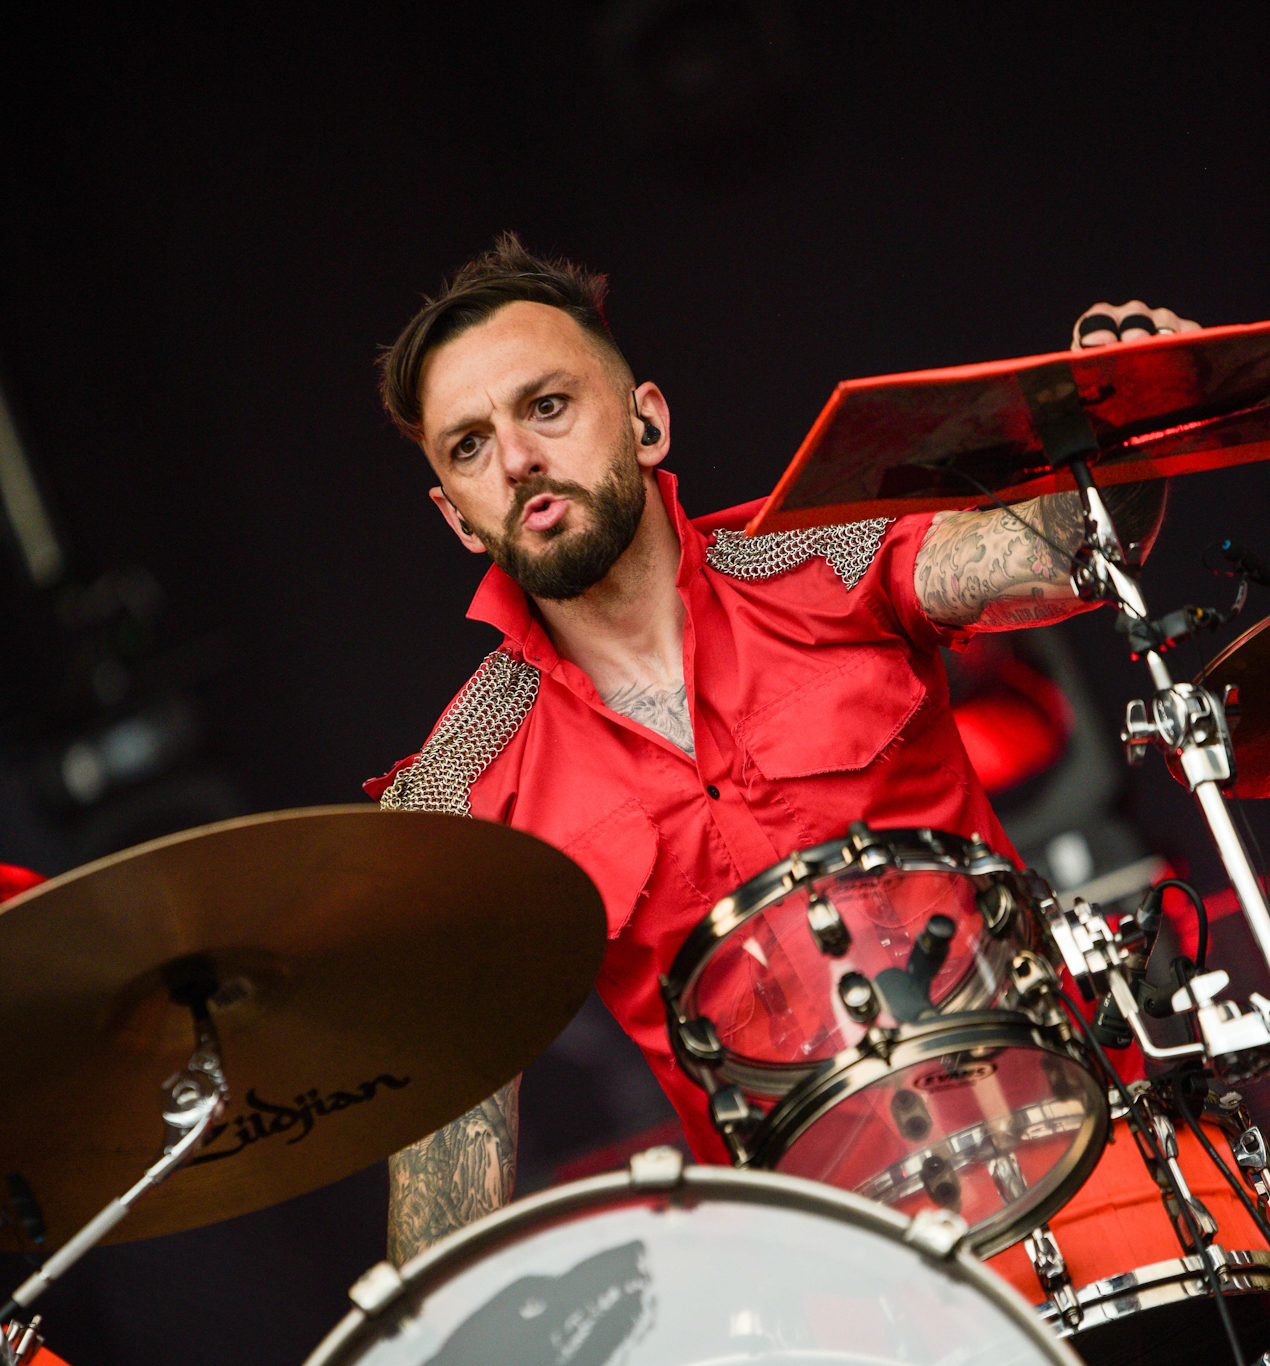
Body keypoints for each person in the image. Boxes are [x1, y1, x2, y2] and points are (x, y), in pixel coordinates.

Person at [364, 233, 1193, 1265]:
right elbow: (444, 1209)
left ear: (646, 420)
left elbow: (1063, 548)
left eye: (546, 406)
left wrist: (1123, 424)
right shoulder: (455, 793)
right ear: (456, 518)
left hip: (1073, 1168)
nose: (518, 458)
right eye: (469, 446)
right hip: (821, 1287)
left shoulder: (825, 549)